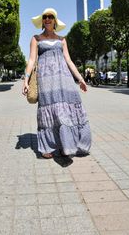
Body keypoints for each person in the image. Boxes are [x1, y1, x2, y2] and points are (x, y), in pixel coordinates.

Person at [22, 8, 91, 159]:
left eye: (50, 17)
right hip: (46, 81)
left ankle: (67, 145)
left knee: (65, 111)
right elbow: (31, 60)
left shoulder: (62, 39)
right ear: (42, 21)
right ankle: (48, 146)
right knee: (49, 112)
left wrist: (80, 79)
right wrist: (26, 80)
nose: (47, 19)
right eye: (45, 17)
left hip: (64, 79)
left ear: (54, 21)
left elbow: (69, 60)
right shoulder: (36, 39)